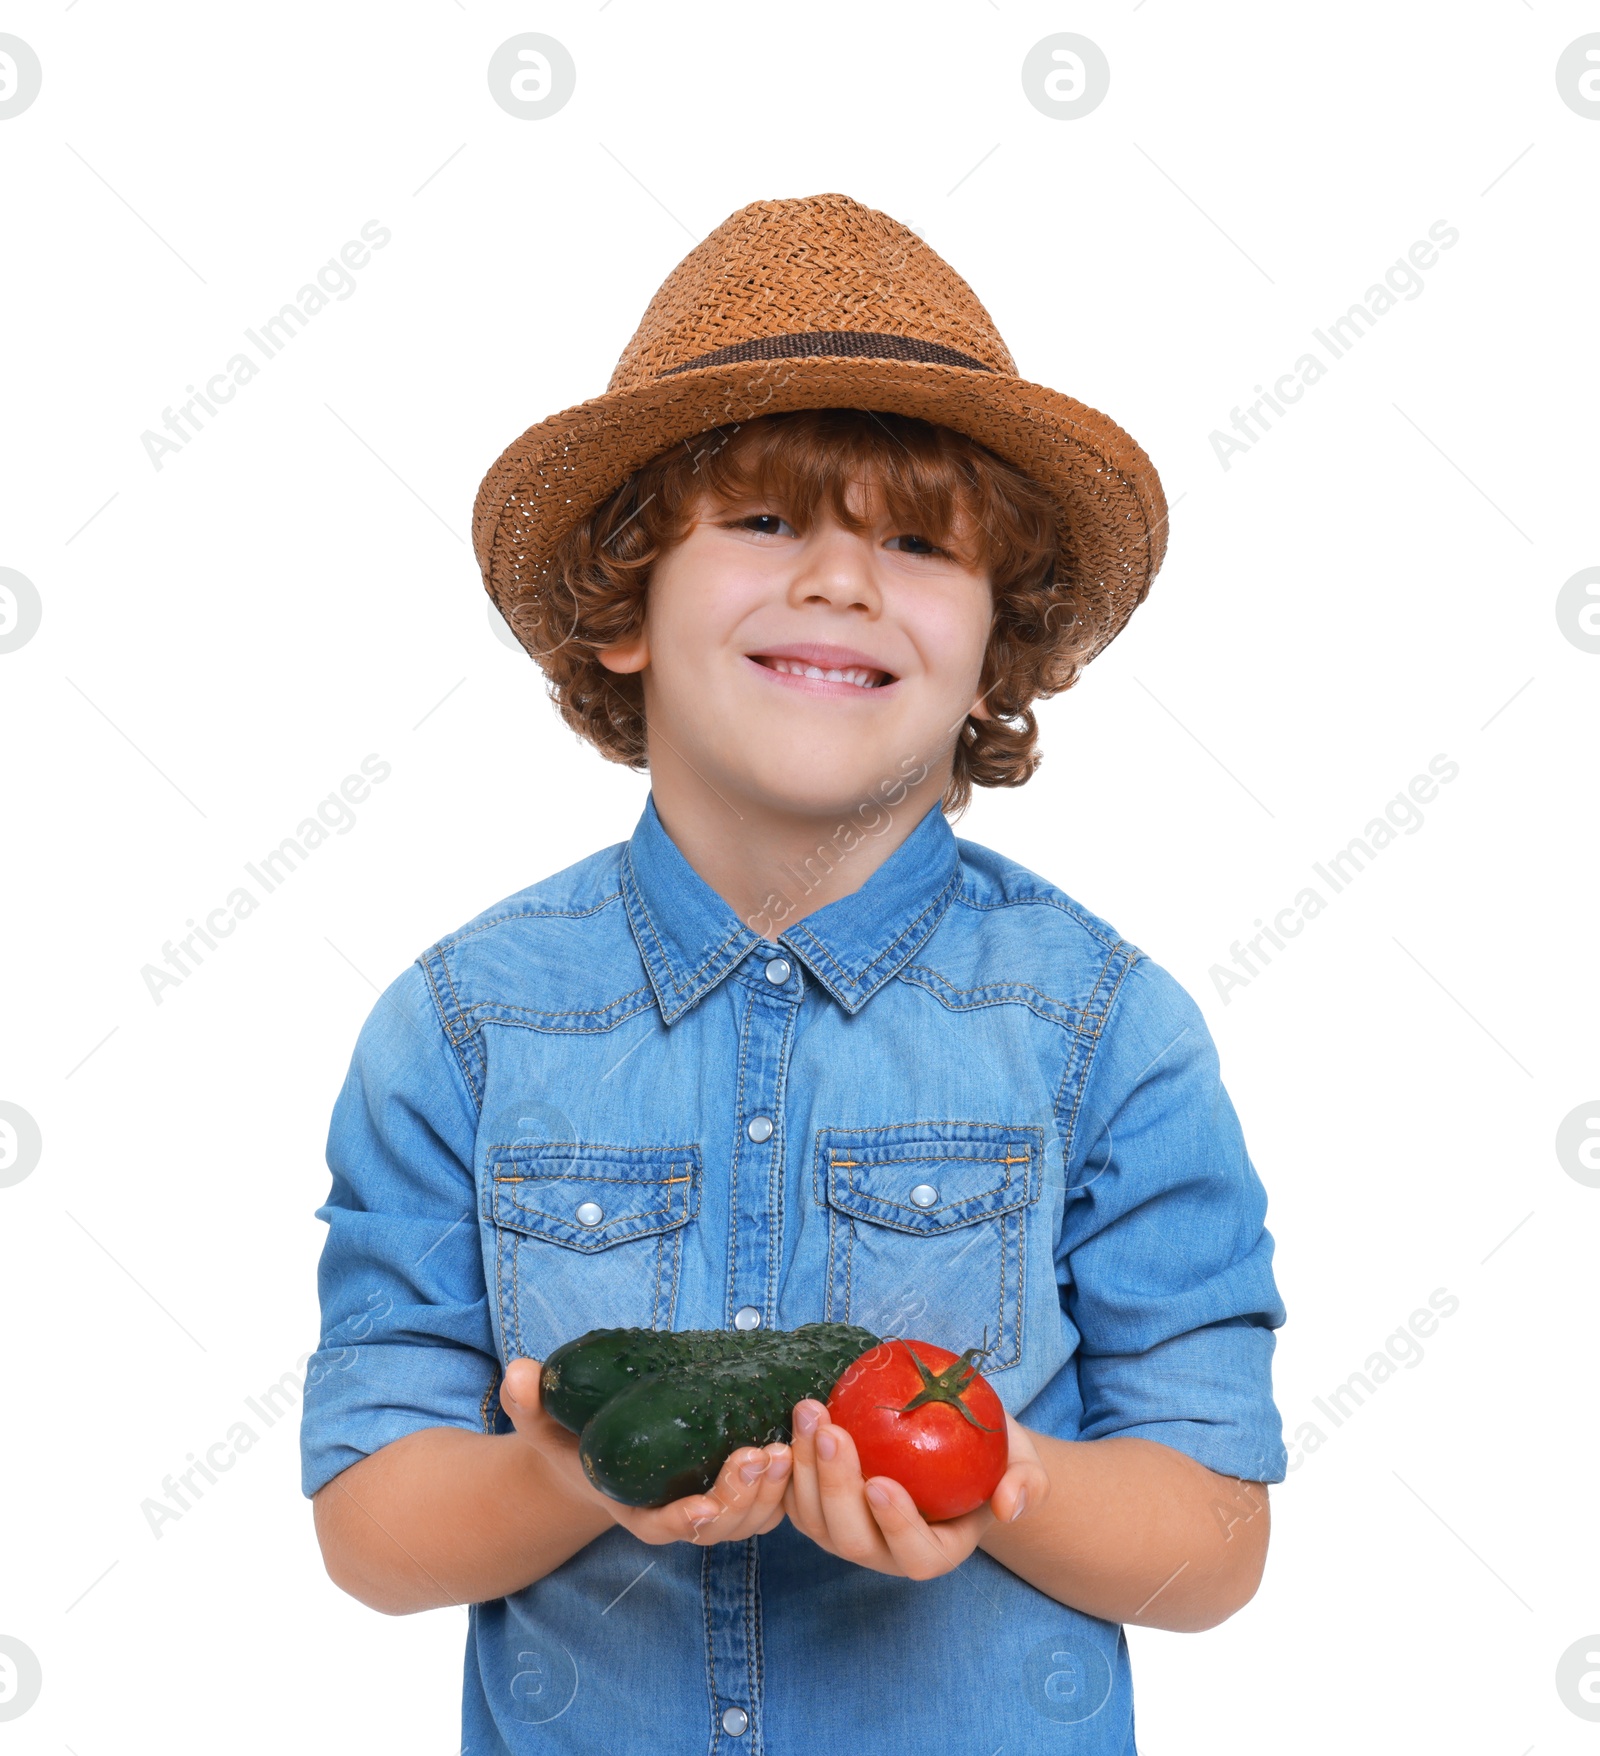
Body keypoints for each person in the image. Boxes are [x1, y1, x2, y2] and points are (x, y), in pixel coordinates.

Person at [300, 191, 1288, 1752]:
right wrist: (564, 1471)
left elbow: (1215, 1542)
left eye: (917, 543)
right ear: (623, 611)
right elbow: (369, 1523)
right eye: (764, 522)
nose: (841, 582)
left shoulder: (1107, 1031)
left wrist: (987, 1485)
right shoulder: (461, 1028)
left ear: (992, 653)